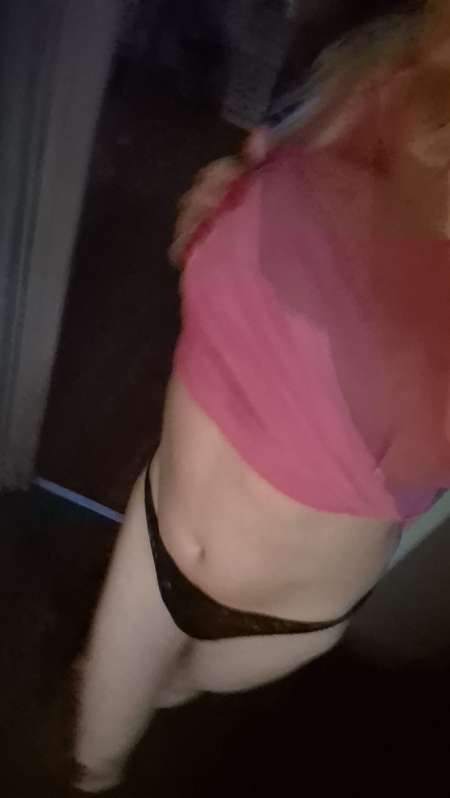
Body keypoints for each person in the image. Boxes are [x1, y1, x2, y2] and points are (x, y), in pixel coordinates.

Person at [74, 1, 450, 791]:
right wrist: (215, 215)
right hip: (161, 541)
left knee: (174, 691)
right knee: (94, 757)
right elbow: (233, 251)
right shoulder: (367, 83)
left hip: (285, 621)